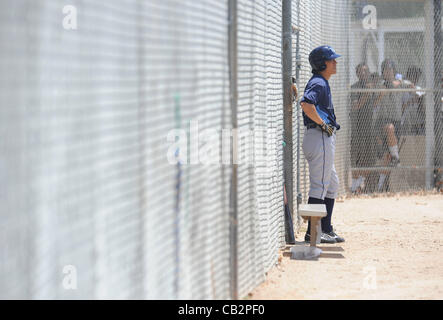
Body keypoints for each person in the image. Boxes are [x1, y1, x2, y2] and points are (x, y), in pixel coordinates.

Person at [300, 45, 345, 244]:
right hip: (319, 137)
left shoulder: (321, 82)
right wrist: (323, 123)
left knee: (331, 184)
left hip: (319, 137)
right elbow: (306, 104)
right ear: (321, 63)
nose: (334, 62)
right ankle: (313, 233)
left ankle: (325, 229)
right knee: (319, 186)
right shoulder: (318, 82)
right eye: (331, 59)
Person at [350, 63, 377, 193]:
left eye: (366, 71)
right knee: (358, 157)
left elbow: (376, 104)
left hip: (371, 128)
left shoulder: (373, 87)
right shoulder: (355, 88)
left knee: (369, 158)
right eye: (361, 71)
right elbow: (356, 106)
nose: (364, 74)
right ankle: (356, 185)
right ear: (357, 74)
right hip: (358, 128)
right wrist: (367, 93)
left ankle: (362, 184)